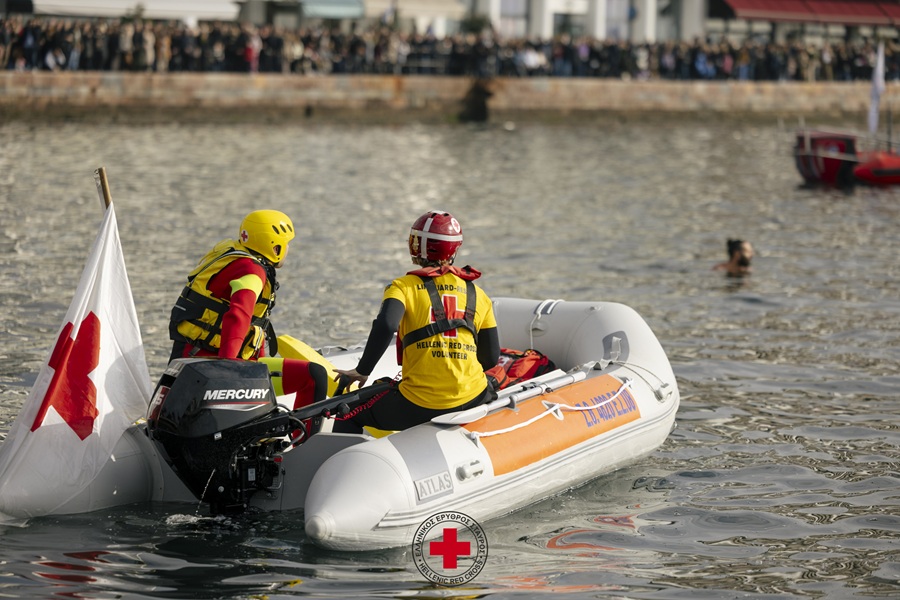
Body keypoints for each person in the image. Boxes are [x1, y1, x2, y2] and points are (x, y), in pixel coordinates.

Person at [332, 210, 501, 433]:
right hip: (473, 397)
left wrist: (363, 370)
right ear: (455, 249)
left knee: (348, 412)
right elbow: (490, 358)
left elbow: (386, 325)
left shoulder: (402, 286)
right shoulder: (479, 294)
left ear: (416, 246)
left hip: (421, 404)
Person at [168, 210, 327, 411]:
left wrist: (256, 362)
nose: (288, 249)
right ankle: (306, 433)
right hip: (210, 368)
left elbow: (253, 325)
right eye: (287, 243)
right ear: (275, 247)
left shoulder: (232, 254)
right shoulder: (252, 271)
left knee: (311, 374)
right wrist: (228, 369)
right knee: (314, 376)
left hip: (195, 359)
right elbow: (239, 316)